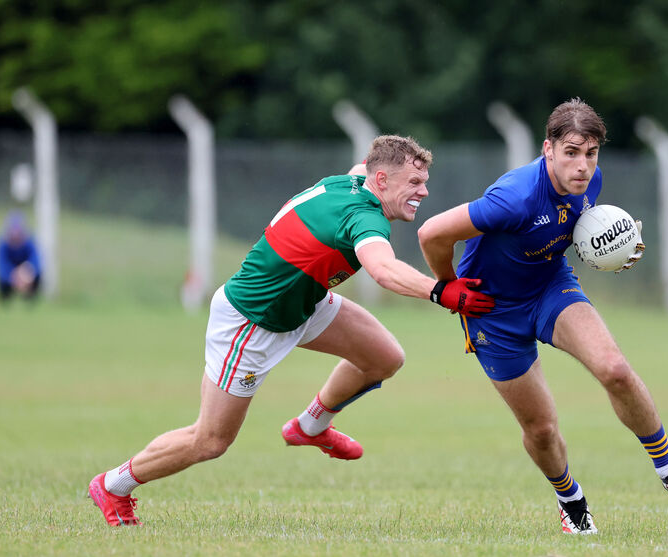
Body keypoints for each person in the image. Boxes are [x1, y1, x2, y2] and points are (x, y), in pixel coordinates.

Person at [88, 135, 494, 526]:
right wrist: (441, 292)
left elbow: (367, 164)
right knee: (210, 441)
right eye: (415, 182)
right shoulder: (363, 217)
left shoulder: (353, 180)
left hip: (304, 302)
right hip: (253, 321)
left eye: (425, 181)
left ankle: (309, 427)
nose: (424, 191)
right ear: (382, 179)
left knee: (384, 358)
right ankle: (112, 485)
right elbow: (384, 270)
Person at [417, 98, 668, 534]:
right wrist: (448, 286)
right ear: (548, 149)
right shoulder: (514, 198)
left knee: (615, 370)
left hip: (549, 287)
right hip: (491, 311)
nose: (582, 165)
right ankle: (570, 499)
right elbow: (431, 233)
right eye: (571, 152)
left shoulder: (591, 182)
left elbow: (573, 229)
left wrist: (613, 249)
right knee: (541, 429)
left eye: (591, 153)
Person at [0, 211, 42, 302]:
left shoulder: (30, 243)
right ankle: (6, 299)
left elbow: (36, 261)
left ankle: (30, 299)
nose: (16, 236)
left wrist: (27, 272)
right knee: (2, 280)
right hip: (11, 273)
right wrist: (13, 277)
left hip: (26, 271)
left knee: (38, 277)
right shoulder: (3, 245)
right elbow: (1, 265)